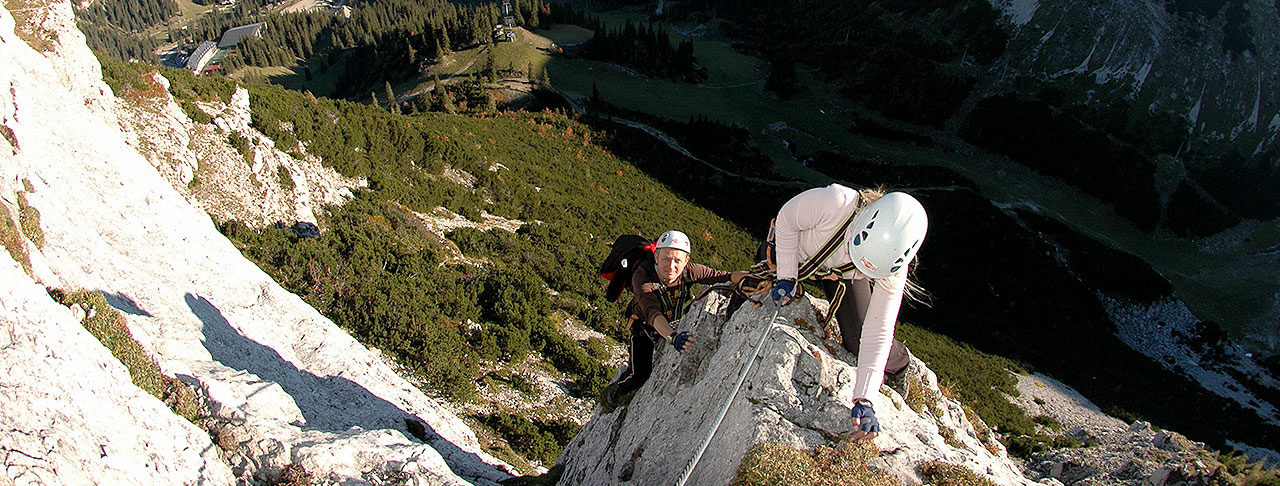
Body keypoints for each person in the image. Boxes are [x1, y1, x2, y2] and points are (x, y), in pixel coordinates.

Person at [768, 184, 928, 441]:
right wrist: (786, 276)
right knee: (750, 293)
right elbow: (787, 218)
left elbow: (878, 332)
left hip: (843, 274)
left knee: (857, 339)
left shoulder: (894, 269)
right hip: (800, 250)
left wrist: (865, 399)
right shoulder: (835, 203)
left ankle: (898, 365)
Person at [605, 230, 745, 409]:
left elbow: (722, 276)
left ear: (686, 261)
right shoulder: (642, 277)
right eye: (666, 259)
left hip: (670, 322)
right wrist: (672, 337)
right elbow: (652, 313)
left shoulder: (689, 271)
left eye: (677, 261)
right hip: (644, 327)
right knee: (640, 374)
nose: (671, 266)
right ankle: (617, 391)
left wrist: (750, 278)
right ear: (656, 257)